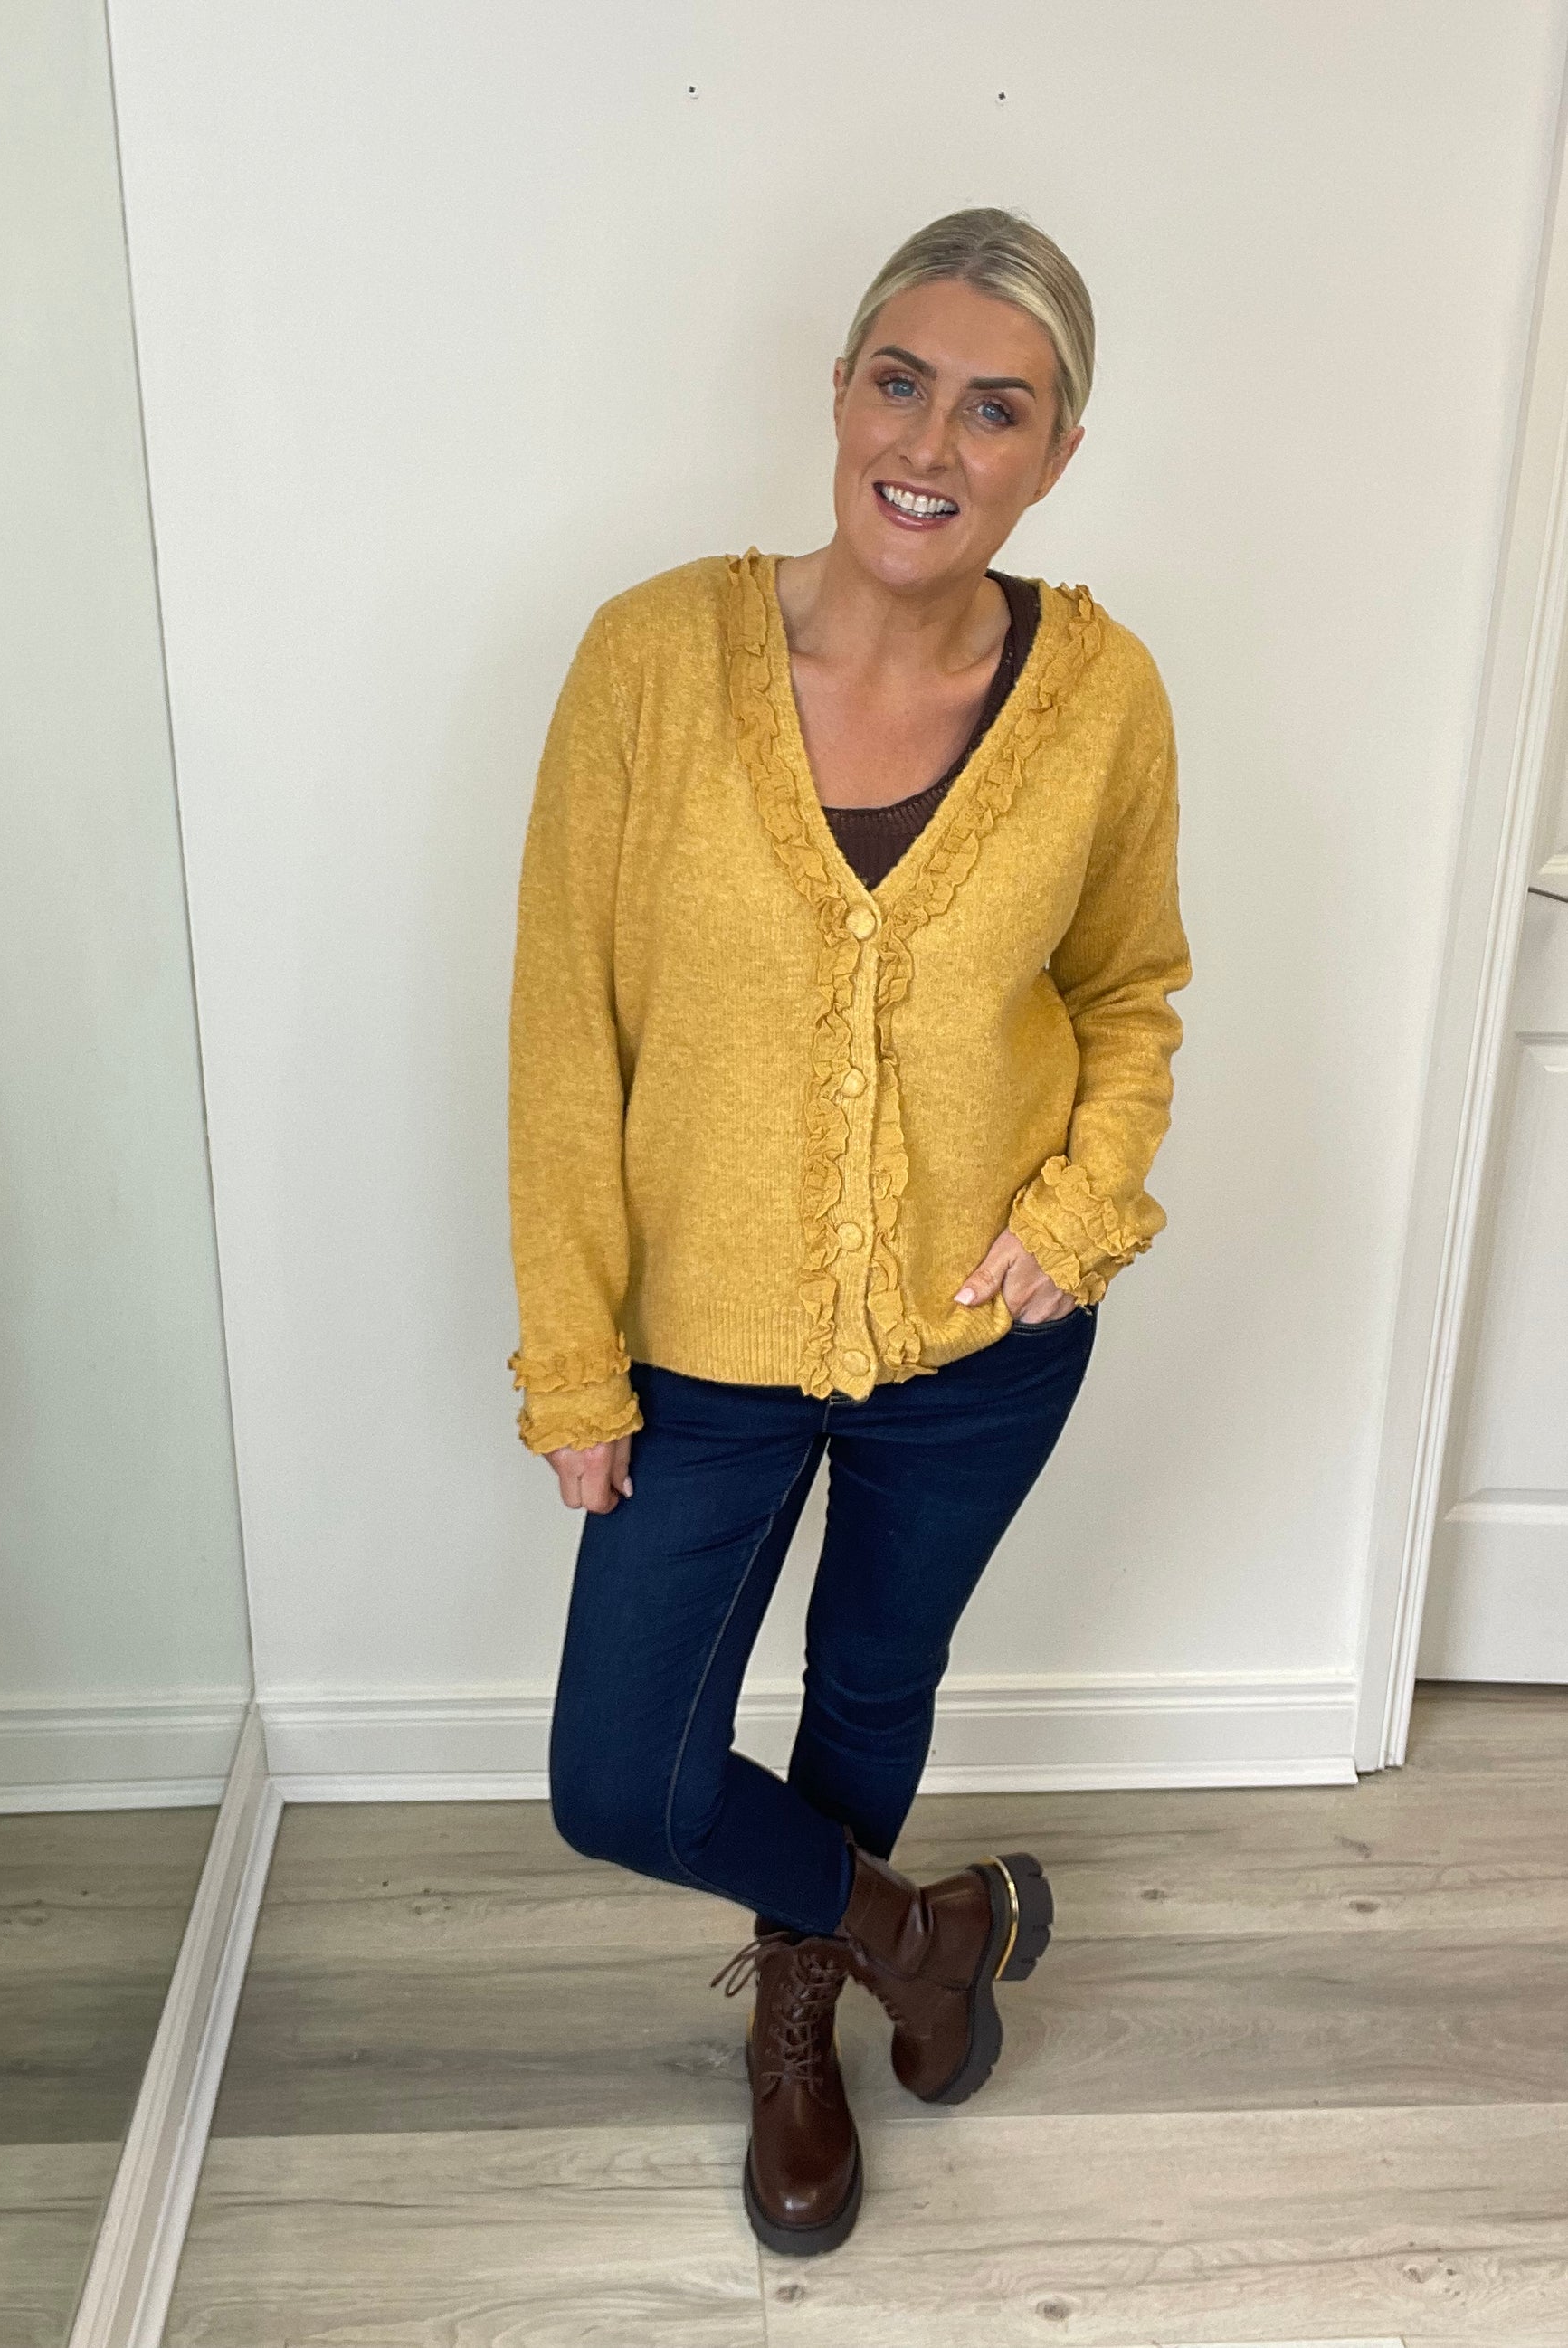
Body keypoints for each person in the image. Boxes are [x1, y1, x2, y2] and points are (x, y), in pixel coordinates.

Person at [506, 207, 1190, 2257]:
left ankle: (798, 2010)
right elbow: (564, 1031)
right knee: (623, 1775)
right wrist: (573, 1358)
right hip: (700, 1344)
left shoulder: (1099, 694)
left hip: (978, 1347)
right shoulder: (650, 658)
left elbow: (1130, 990)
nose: (931, 441)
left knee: (874, 1685)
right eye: (902, 382)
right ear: (837, 394)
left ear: (1055, 453)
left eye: (997, 408)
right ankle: (917, 1933)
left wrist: (1081, 1214)